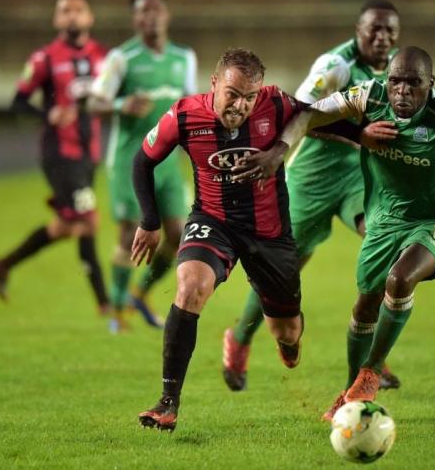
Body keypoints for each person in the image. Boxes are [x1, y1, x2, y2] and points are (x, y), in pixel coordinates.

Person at [233, 46, 435, 421]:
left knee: (400, 280)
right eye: (395, 81)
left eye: (413, 83)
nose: (401, 91)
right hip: (385, 222)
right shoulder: (369, 95)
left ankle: (371, 373)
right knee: (364, 307)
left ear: (430, 85)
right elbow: (310, 114)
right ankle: (351, 391)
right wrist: (284, 151)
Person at [222, 0, 403, 393]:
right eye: (374, 28)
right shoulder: (335, 66)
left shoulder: (396, 72)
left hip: (359, 178)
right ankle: (240, 339)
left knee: (384, 243)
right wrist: (359, 135)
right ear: (359, 30)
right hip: (312, 178)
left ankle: (371, 354)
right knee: (281, 276)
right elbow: (298, 112)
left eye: (390, 30)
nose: (382, 37)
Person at [130, 48, 306, 432]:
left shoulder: (276, 104)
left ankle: (282, 340)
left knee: (287, 333)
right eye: (232, 94)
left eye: (249, 97)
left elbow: (316, 115)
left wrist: (363, 134)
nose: (240, 105)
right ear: (214, 84)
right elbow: (142, 160)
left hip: (269, 233)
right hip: (214, 221)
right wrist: (150, 220)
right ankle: (167, 402)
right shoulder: (183, 115)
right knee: (191, 286)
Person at [0, 0, 112, 321]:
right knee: (89, 221)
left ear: (90, 18)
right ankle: (105, 306)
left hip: (90, 155)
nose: (72, 16)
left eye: (78, 10)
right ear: (57, 21)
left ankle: (2, 265)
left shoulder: (104, 57)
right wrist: (48, 113)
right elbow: (18, 101)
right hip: (60, 154)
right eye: (65, 11)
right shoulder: (45, 57)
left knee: (65, 226)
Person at [90, 0, 195, 329]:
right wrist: (120, 105)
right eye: (142, 12)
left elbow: (191, 106)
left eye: (155, 10)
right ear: (135, 20)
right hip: (128, 162)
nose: (150, 16)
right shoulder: (121, 59)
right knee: (127, 235)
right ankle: (117, 311)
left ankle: (141, 292)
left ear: (167, 15)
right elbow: (95, 103)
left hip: (167, 163)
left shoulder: (184, 57)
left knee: (179, 234)